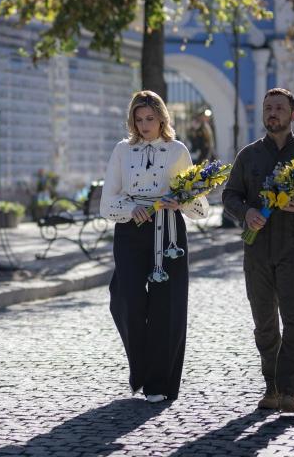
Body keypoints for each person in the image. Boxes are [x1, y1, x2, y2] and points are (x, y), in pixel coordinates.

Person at [221, 88, 294, 413]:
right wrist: (246, 213)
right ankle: (270, 386)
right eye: (268, 107)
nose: (273, 113)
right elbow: (230, 196)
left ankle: (290, 390)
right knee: (265, 323)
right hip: (256, 253)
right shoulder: (249, 156)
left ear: (292, 115)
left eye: (279, 108)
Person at [100, 90, 209, 403]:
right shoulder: (122, 150)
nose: (144, 125)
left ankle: (159, 382)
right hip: (130, 230)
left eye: (150, 118)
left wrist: (182, 200)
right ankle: (141, 369)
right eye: (139, 119)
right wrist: (128, 207)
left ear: (163, 118)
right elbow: (107, 204)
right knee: (127, 300)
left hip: (170, 231)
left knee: (168, 308)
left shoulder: (177, 150)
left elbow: (200, 207)